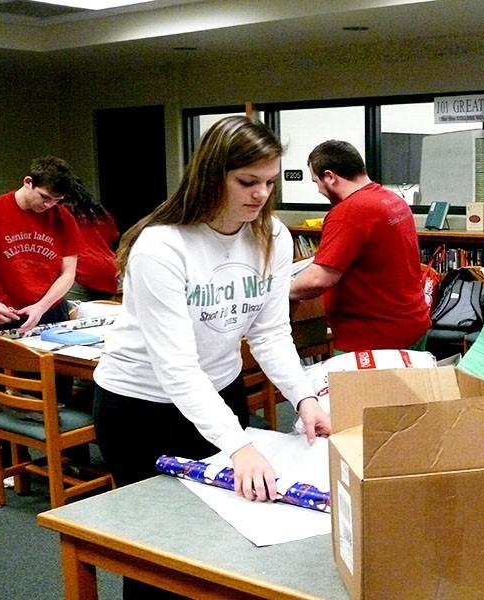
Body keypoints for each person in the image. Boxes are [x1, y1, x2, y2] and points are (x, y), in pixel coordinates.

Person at [93, 116, 329, 496]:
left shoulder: (272, 237)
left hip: (220, 392)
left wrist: (303, 396)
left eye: (270, 182)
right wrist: (238, 446)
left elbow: (269, 334)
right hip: (142, 406)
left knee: (226, 525)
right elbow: (177, 366)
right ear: (210, 176)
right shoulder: (161, 246)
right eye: (247, 182)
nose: (261, 195)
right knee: (157, 533)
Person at [289, 140, 430, 352]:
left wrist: (280, 291)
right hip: (410, 325)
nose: (318, 190)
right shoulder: (392, 200)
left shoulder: (349, 211)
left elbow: (319, 279)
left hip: (374, 339)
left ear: (330, 176)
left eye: (316, 181)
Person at [0, 156, 80, 334]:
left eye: (56, 200)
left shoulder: (64, 219)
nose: (49, 205)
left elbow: (68, 273)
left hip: (49, 311)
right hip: (2, 313)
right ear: (28, 182)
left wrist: (41, 306)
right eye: (44, 197)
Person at [60, 175, 121, 302]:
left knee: (74, 317)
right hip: (109, 270)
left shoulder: (61, 212)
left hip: (80, 271)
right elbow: (112, 238)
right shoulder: (100, 212)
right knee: (105, 317)